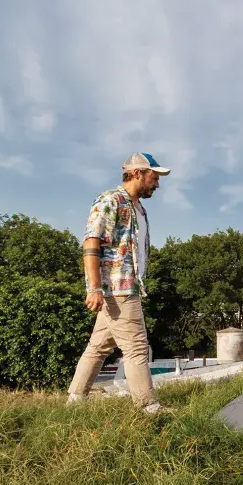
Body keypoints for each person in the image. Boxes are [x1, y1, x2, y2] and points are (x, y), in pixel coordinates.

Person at [66, 152, 171, 414]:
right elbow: (91, 242)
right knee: (136, 348)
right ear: (137, 173)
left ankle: (75, 400)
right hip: (117, 288)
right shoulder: (110, 201)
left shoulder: (139, 209)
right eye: (154, 177)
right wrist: (94, 288)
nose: (157, 184)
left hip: (128, 285)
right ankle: (148, 407)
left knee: (98, 347)